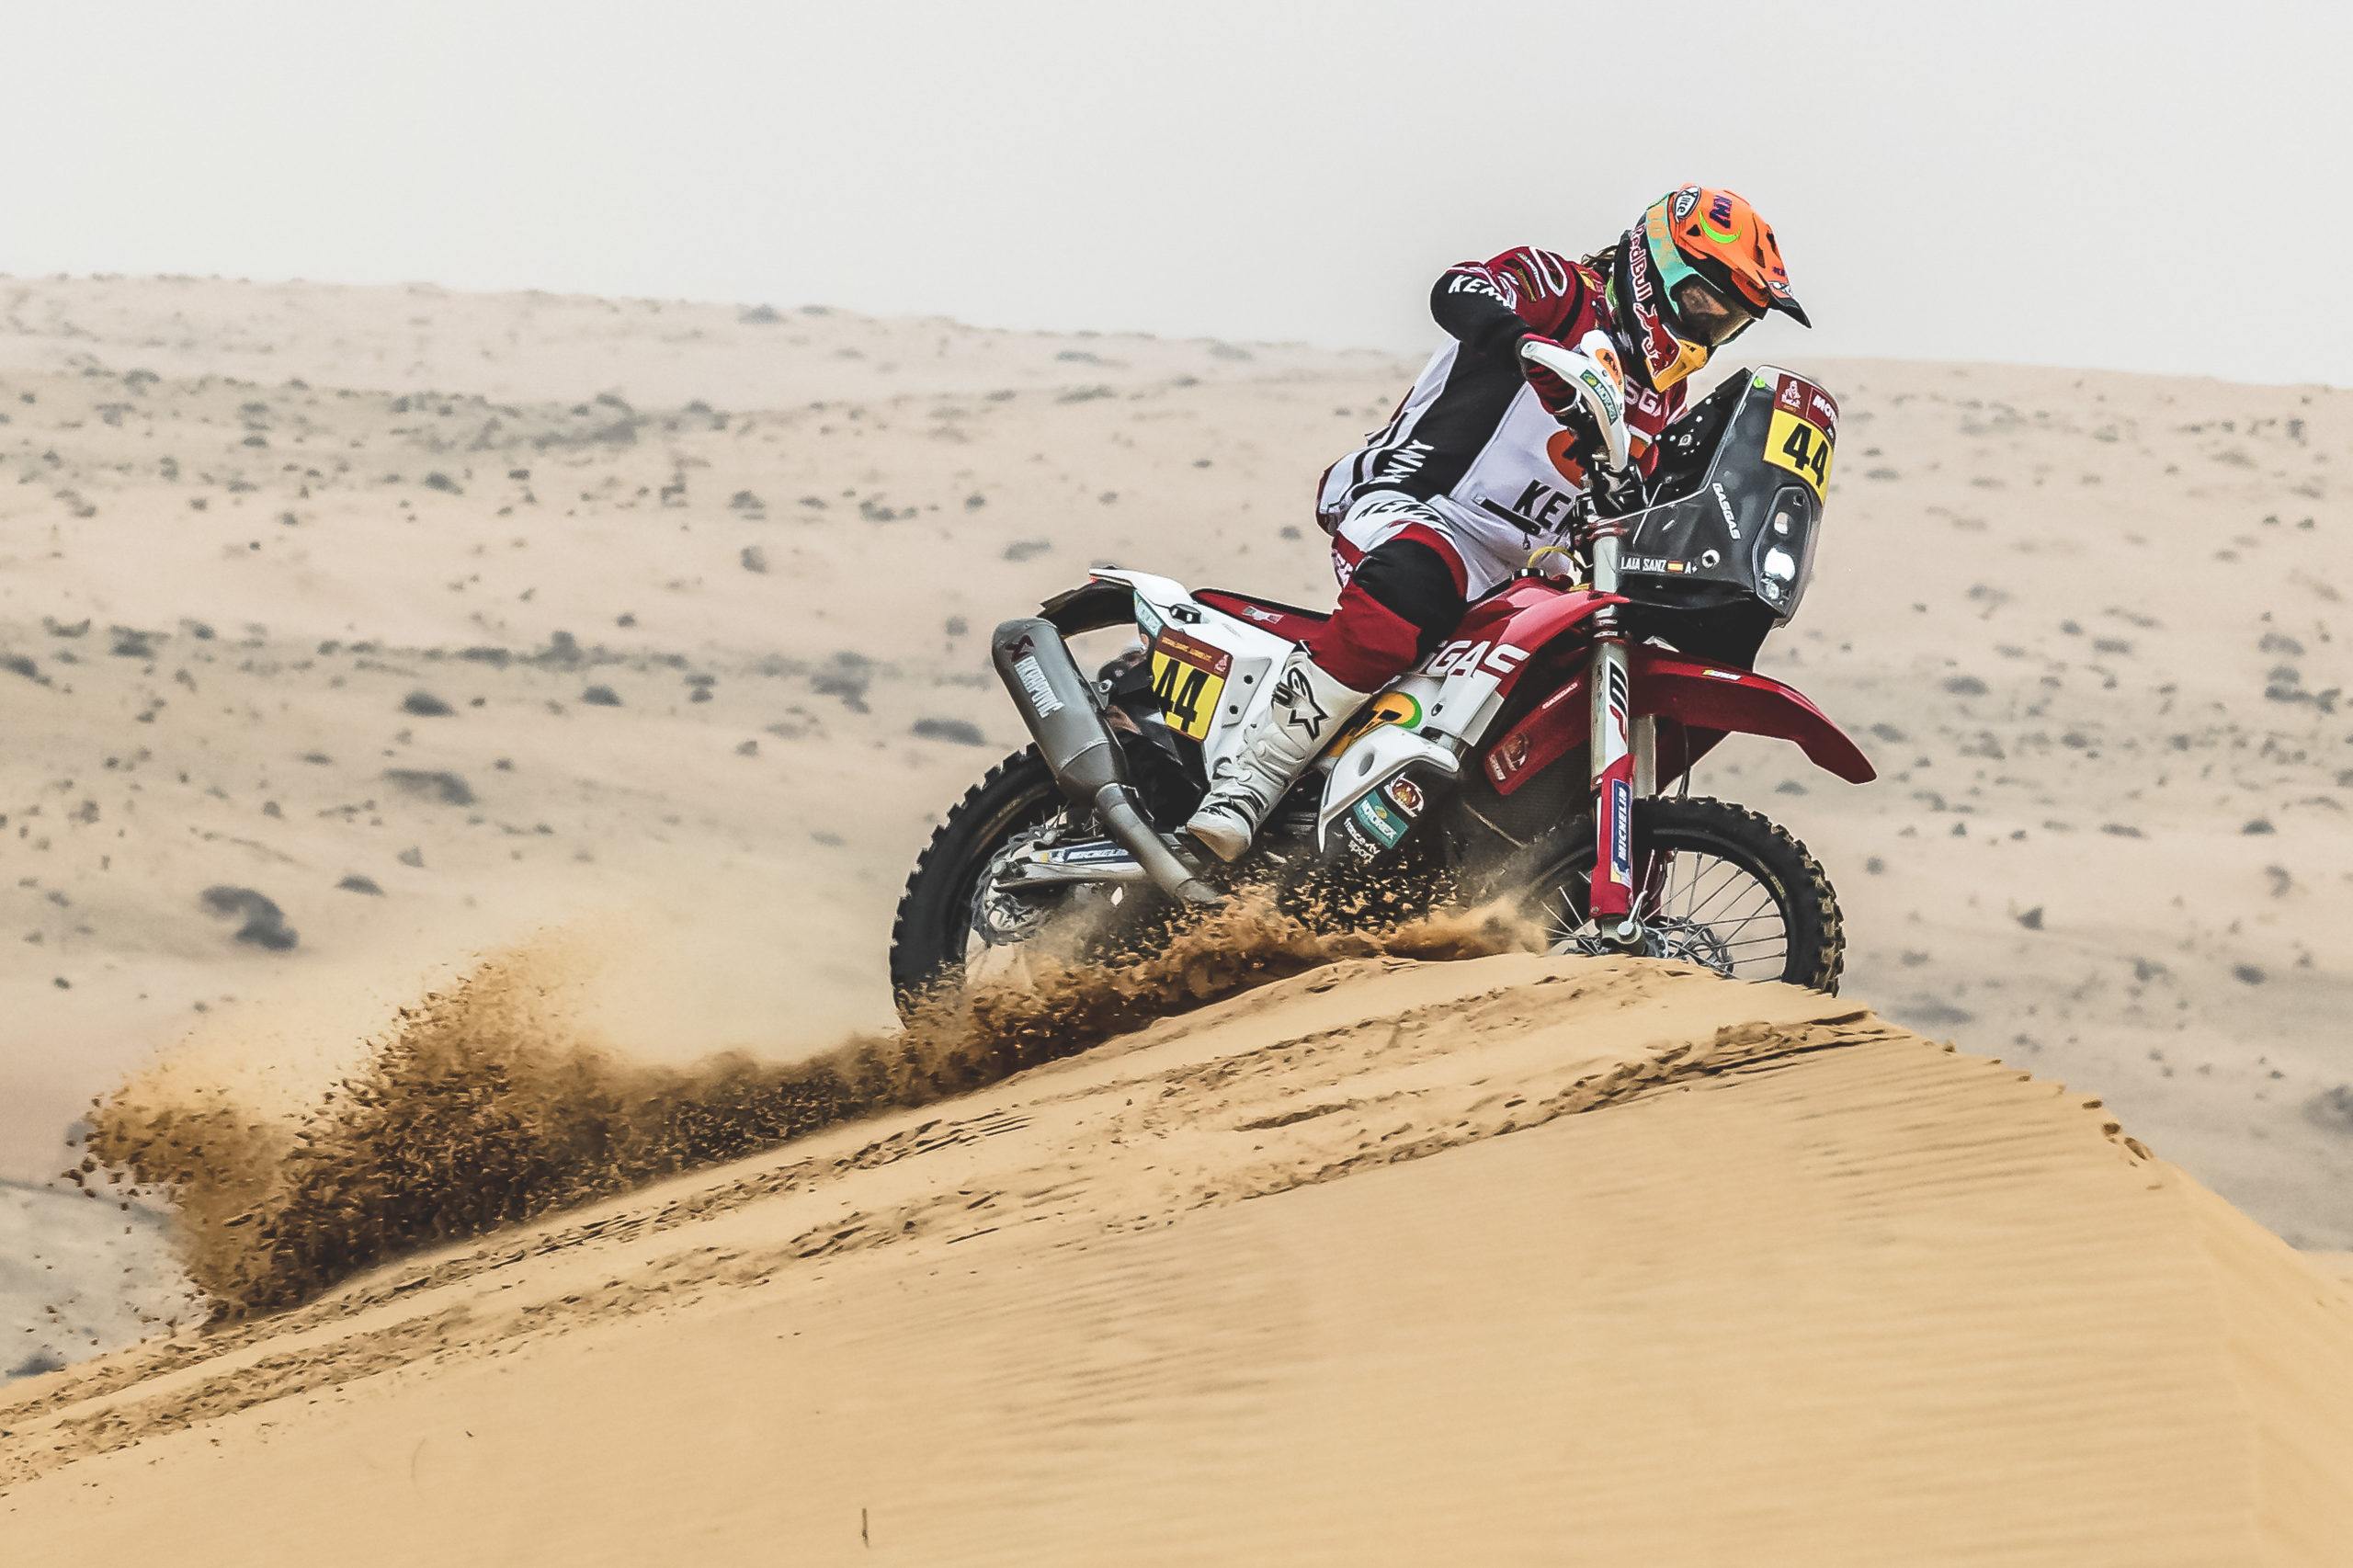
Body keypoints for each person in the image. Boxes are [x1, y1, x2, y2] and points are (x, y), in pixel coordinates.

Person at [1185, 185, 1811, 861]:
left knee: (1572, 674)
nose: (1712, 326)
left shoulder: (1666, 395)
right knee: (1416, 585)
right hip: (1422, 506)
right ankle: (1249, 781)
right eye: (1705, 301)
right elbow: (1458, 289)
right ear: (1653, 265)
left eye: (1731, 320)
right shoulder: (1561, 289)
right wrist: (1525, 344)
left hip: (1526, 570)